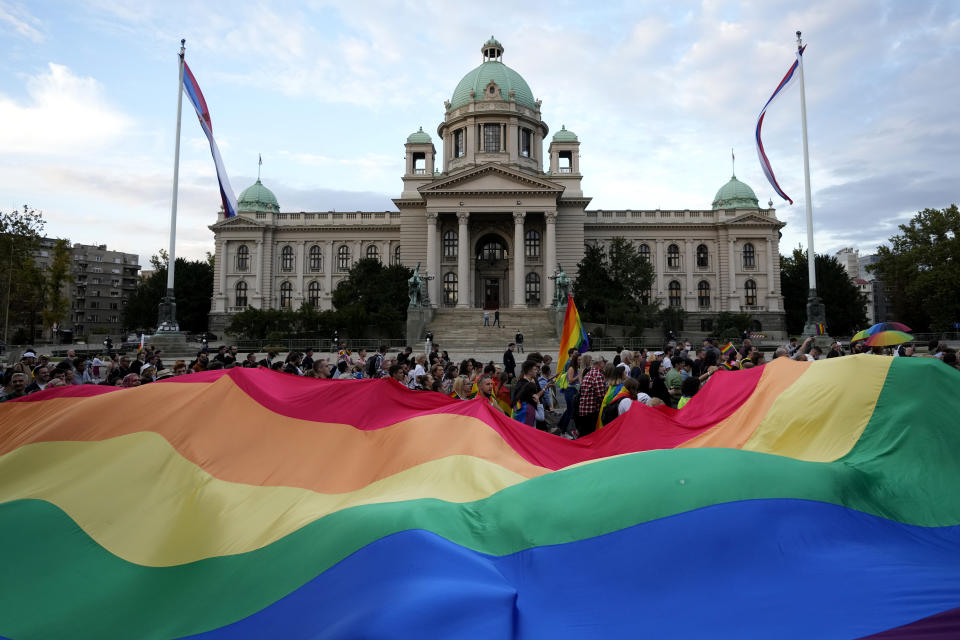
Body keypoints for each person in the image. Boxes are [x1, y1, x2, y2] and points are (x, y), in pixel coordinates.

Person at [576, 355, 606, 437]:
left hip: (584, 409)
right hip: (591, 411)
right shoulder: (597, 375)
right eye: (604, 362)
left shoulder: (589, 373)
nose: (605, 365)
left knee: (584, 435)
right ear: (600, 363)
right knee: (590, 435)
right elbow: (601, 396)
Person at [511, 360, 545, 427]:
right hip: (526, 415)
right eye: (535, 369)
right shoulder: (523, 384)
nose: (537, 371)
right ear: (529, 371)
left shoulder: (530, 381)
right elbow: (533, 399)